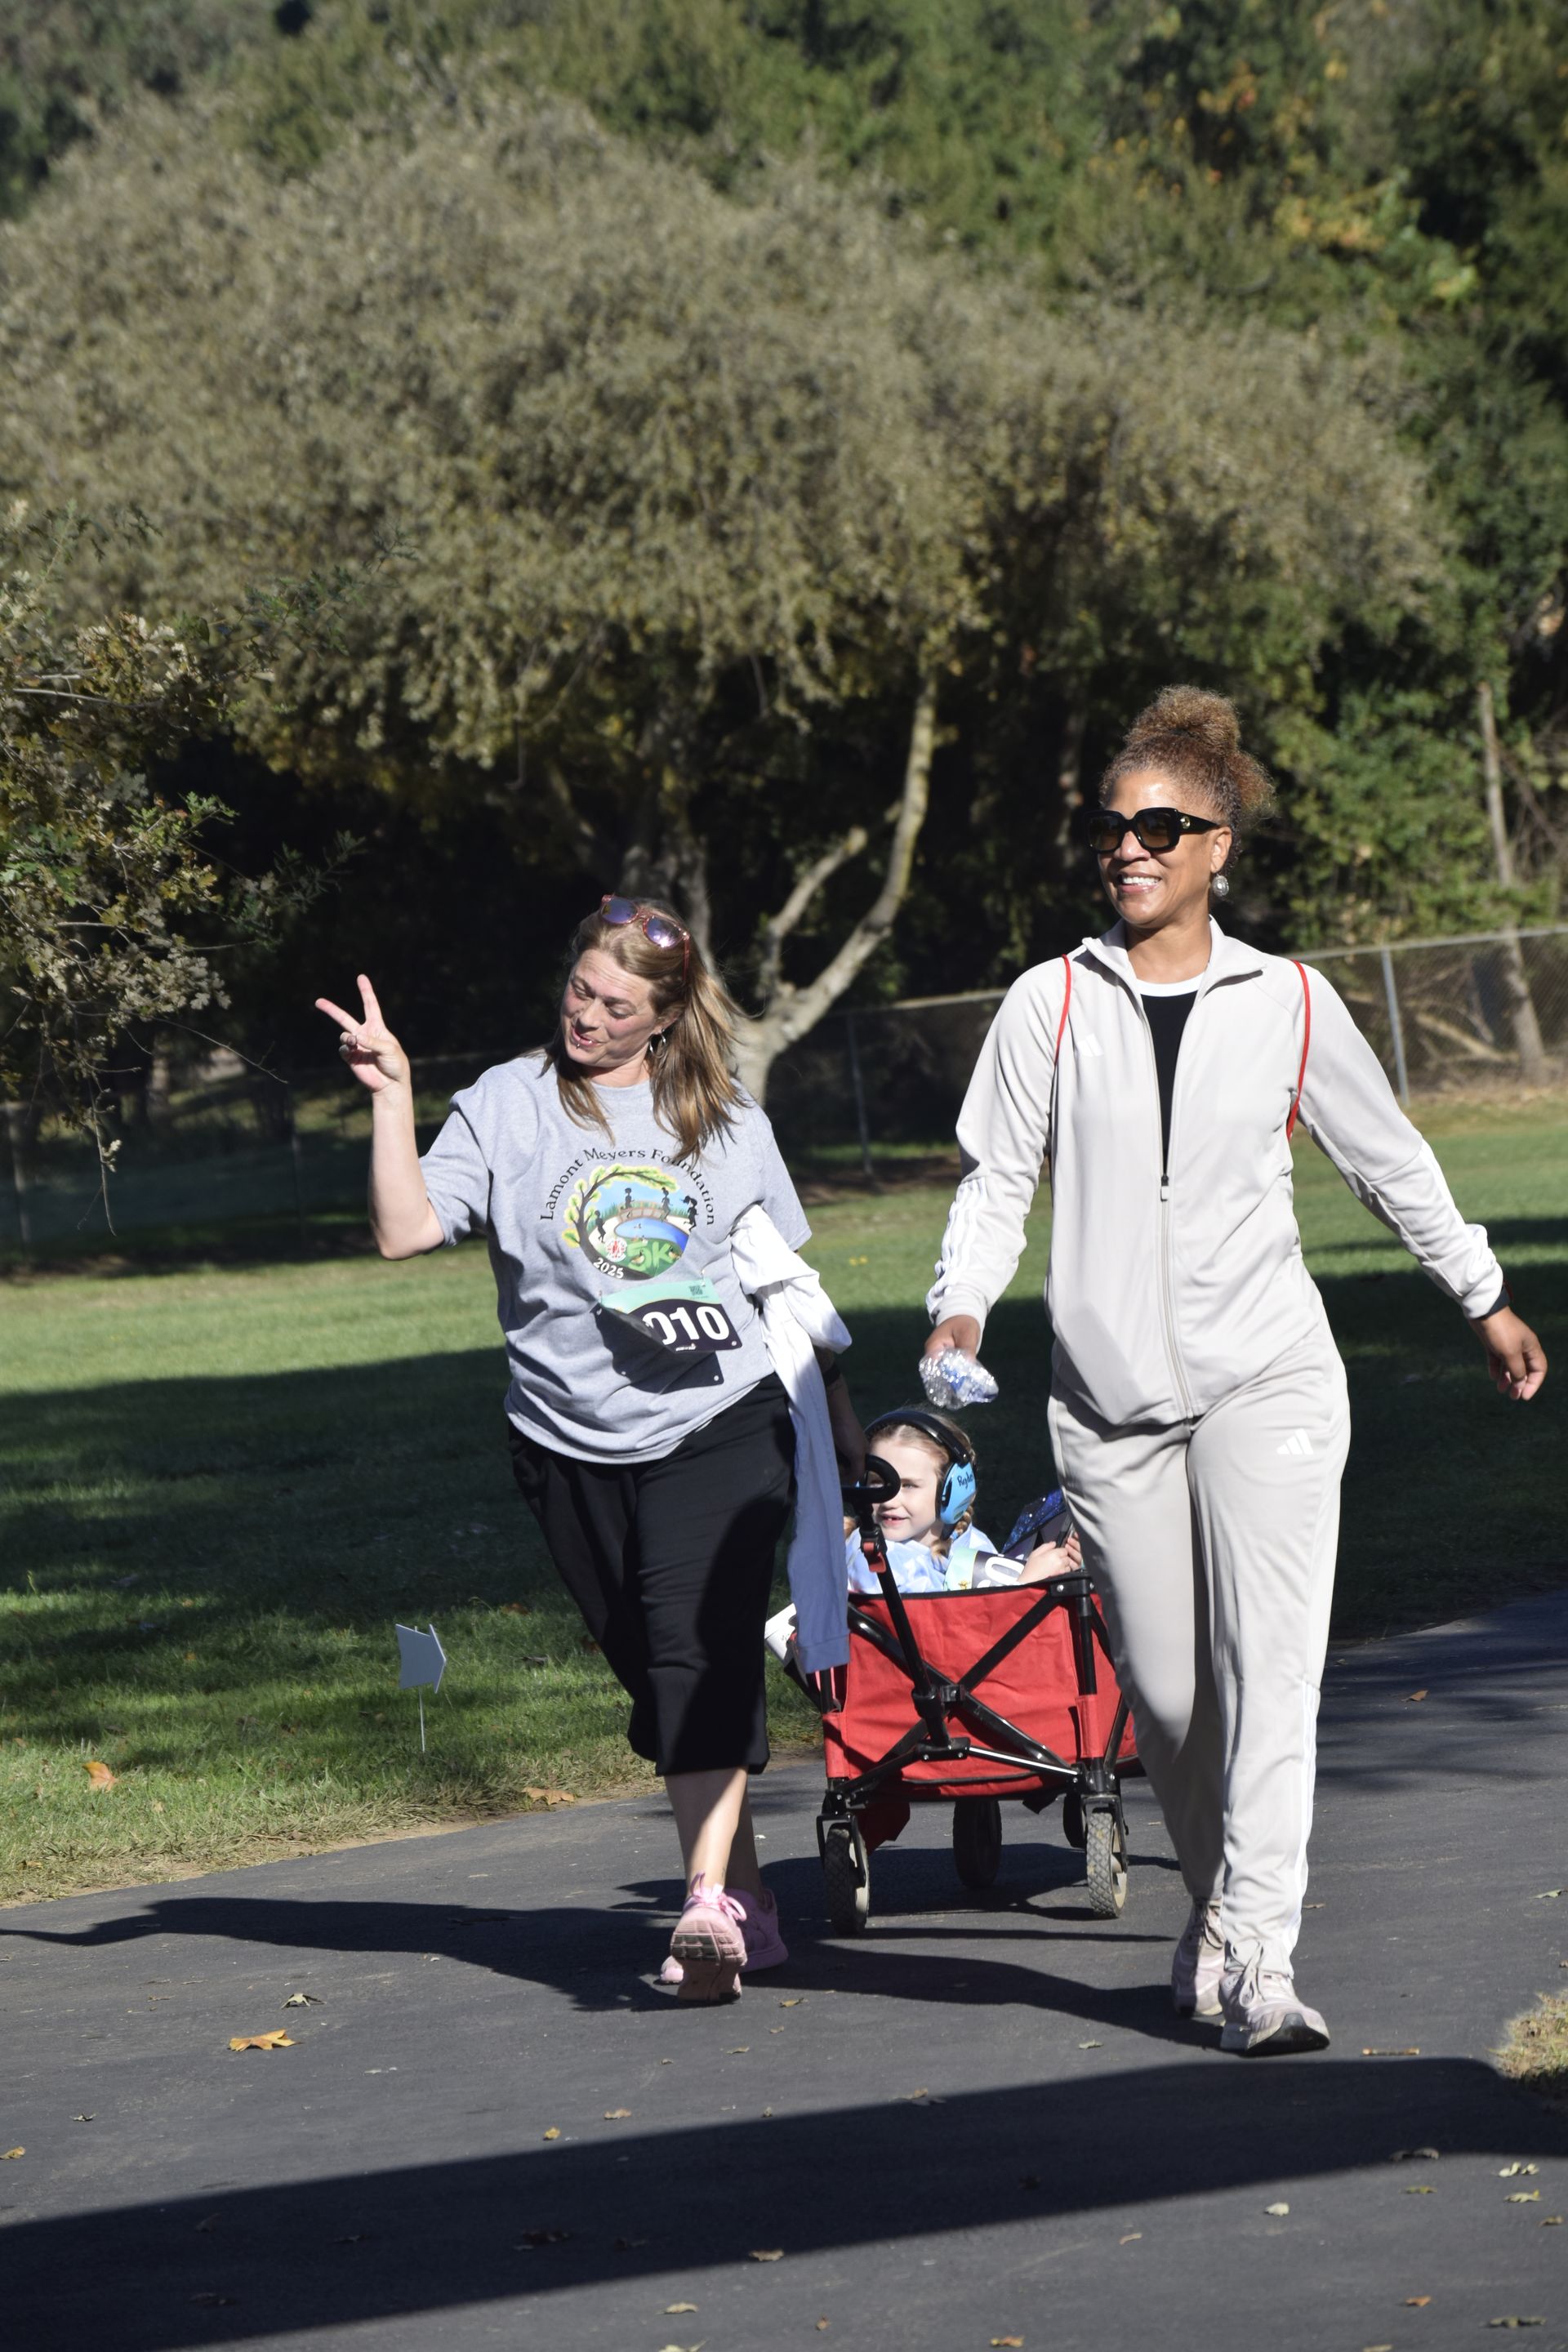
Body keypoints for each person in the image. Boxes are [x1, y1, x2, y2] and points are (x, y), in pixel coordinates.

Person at [924, 685, 1548, 2056]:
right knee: (1168, 1695)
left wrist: (1483, 1296)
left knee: (1269, 1674)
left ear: (1219, 845)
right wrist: (959, 1309)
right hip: (1107, 1408)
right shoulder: (1049, 1003)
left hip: (1269, 1379)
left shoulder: (1291, 1003)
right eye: (1115, 823)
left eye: (1164, 824)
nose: (1131, 845)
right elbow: (994, 1181)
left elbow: (1390, 1165)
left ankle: (1264, 1955)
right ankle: (1213, 1908)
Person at [316, 894, 863, 2004]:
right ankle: (749, 1904)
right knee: (657, 1677)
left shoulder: (722, 1116)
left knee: (691, 1648)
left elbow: (784, 1285)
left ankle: (703, 1905)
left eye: (617, 1006)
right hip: (565, 1441)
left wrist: (842, 1436)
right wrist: (393, 1098)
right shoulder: (505, 1106)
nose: (588, 1016)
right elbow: (405, 1229)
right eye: (580, 991)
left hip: (717, 1420)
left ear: (664, 1020)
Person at [845, 1410, 1082, 1594]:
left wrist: (1057, 1571)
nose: (889, 1499)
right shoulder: (874, 1560)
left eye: (908, 1485)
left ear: (953, 1491)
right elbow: (935, 1645)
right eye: (878, 1482)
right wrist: (1026, 1586)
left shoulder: (967, 1539)